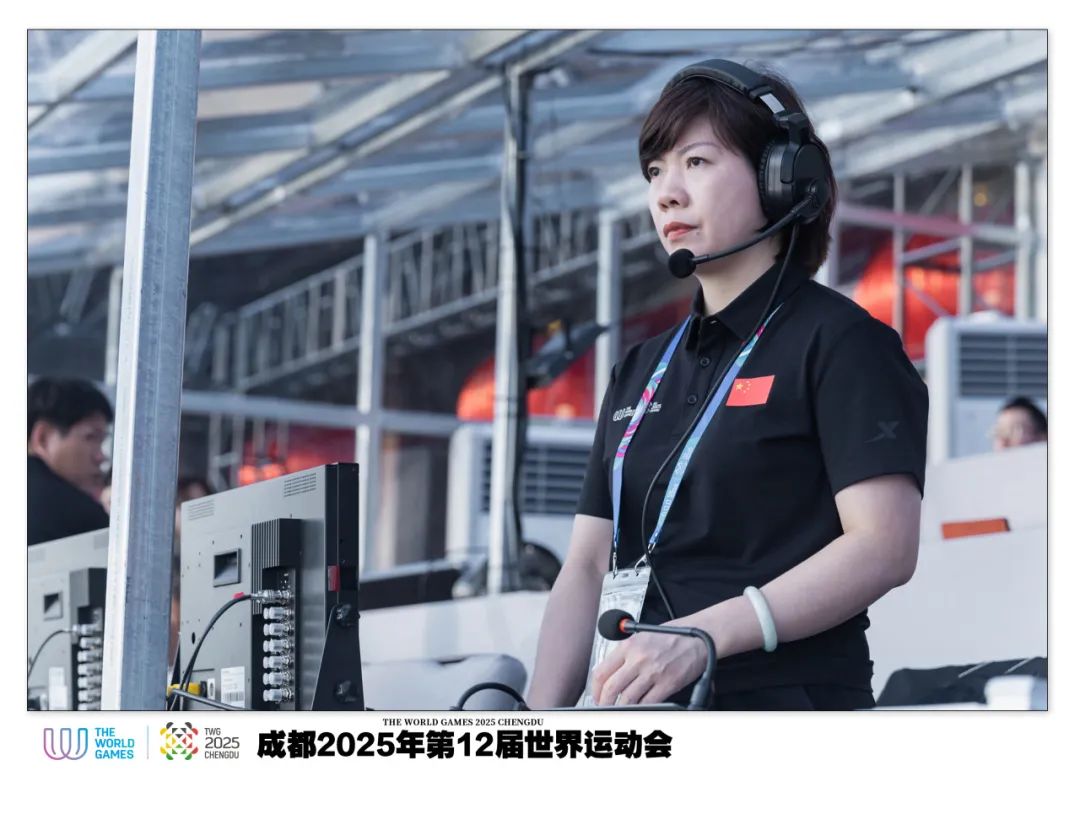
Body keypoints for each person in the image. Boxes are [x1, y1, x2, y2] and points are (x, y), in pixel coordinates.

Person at [526, 59, 929, 711]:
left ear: (780, 179)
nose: (666, 193)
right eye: (655, 171)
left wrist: (702, 638)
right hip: (646, 711)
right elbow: (587, 566)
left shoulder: (843, 343)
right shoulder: (638, 369)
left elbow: (883, 547)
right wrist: (534, 727)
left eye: (697, 162)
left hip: (785, 711)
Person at [27, 378, 113, 545]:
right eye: (91, 437)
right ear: (43, 438)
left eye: (102, 441)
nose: (101, 457)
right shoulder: (82, 518)